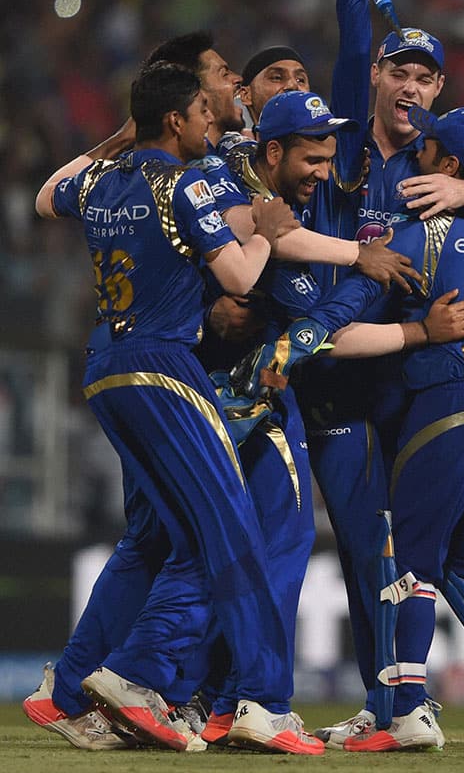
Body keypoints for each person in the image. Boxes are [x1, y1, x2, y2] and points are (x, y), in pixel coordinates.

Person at [27, 60, 326, 755]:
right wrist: (268, 232)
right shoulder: (187, 180)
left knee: (173, 538)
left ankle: (84, 688)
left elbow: (47, 196)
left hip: (103, 366)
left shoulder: (101, 178)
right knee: (231, 534)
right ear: (178, 118)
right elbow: (240, 275)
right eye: (200, 106)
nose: (207, 118)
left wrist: (114, 137)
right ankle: (232, 696)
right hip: (165, 366)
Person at [271, 106, 464, 751]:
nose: (416, 159)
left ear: (446, 165)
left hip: (450, 409)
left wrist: (294, 341)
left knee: (409, 557)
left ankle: (407, 708)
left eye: (427, 151)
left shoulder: (416, 238)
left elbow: (344, 310)